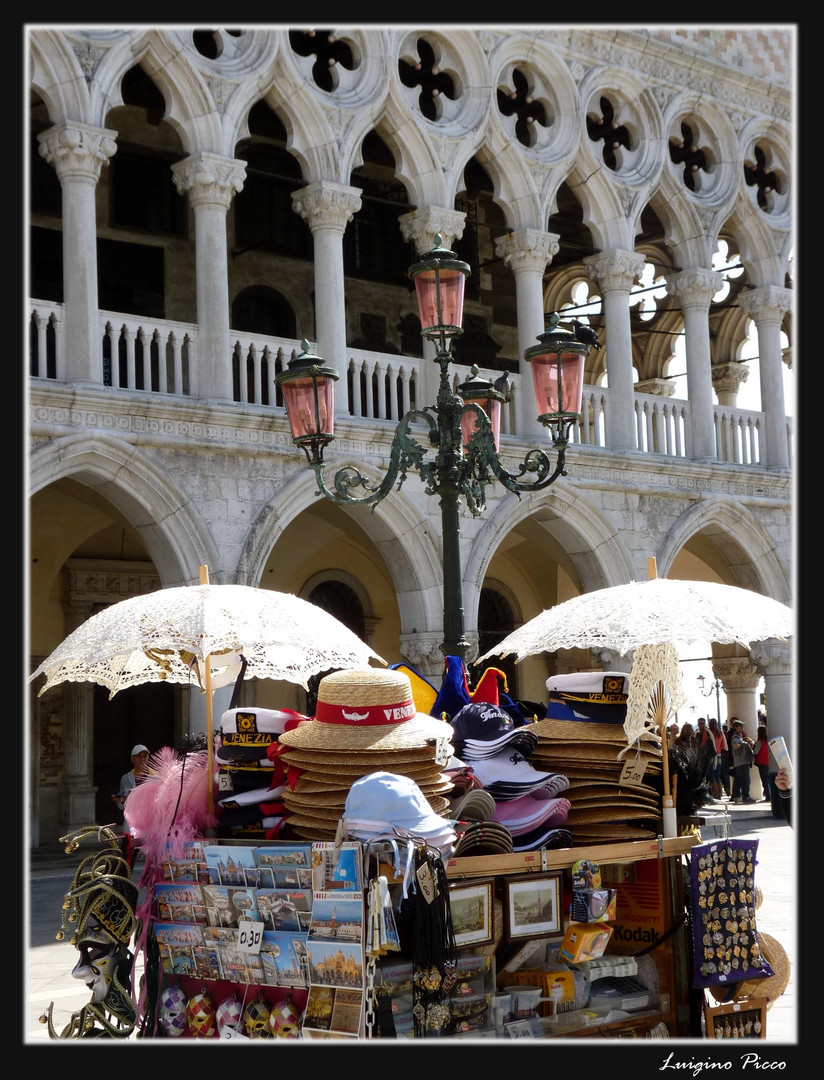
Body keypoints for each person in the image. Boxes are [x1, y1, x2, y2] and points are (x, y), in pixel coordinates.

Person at [112, 744, 150, 814]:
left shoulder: (155, 777)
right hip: (131, 820)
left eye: (145, 756)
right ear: (132, 759)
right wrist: (120, 801)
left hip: (149, 820)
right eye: (139, 756)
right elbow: (121, 805)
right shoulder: (125, 778)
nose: (142, 759)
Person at [729, 718, 755, 804]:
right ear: (736, 727)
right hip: (741, 762)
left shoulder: (739, 736)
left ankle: (738, 796)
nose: (743, 727)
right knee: (744, 780)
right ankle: (745, 796)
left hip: (740, 762)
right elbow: (735, 746)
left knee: (739, 780)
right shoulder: (735, 737)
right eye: (741, 726)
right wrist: (744, 744)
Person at [707, 717, 728, 800]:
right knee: (718, 776)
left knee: (712, 776)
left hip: (711, 756)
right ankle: (719, 795)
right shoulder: (720, 733)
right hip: (719, 755)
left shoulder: (708, 732)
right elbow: (723, 746)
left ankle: (715, 796)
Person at [752, 724, 771, 802]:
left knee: (764, 780)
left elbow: (756, 752)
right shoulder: (768, 740)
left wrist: (752, 745)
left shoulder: (759, 742)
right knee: (768, 780)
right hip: (768, 762)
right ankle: (770, 795)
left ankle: (768, 796)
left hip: (761, 762)